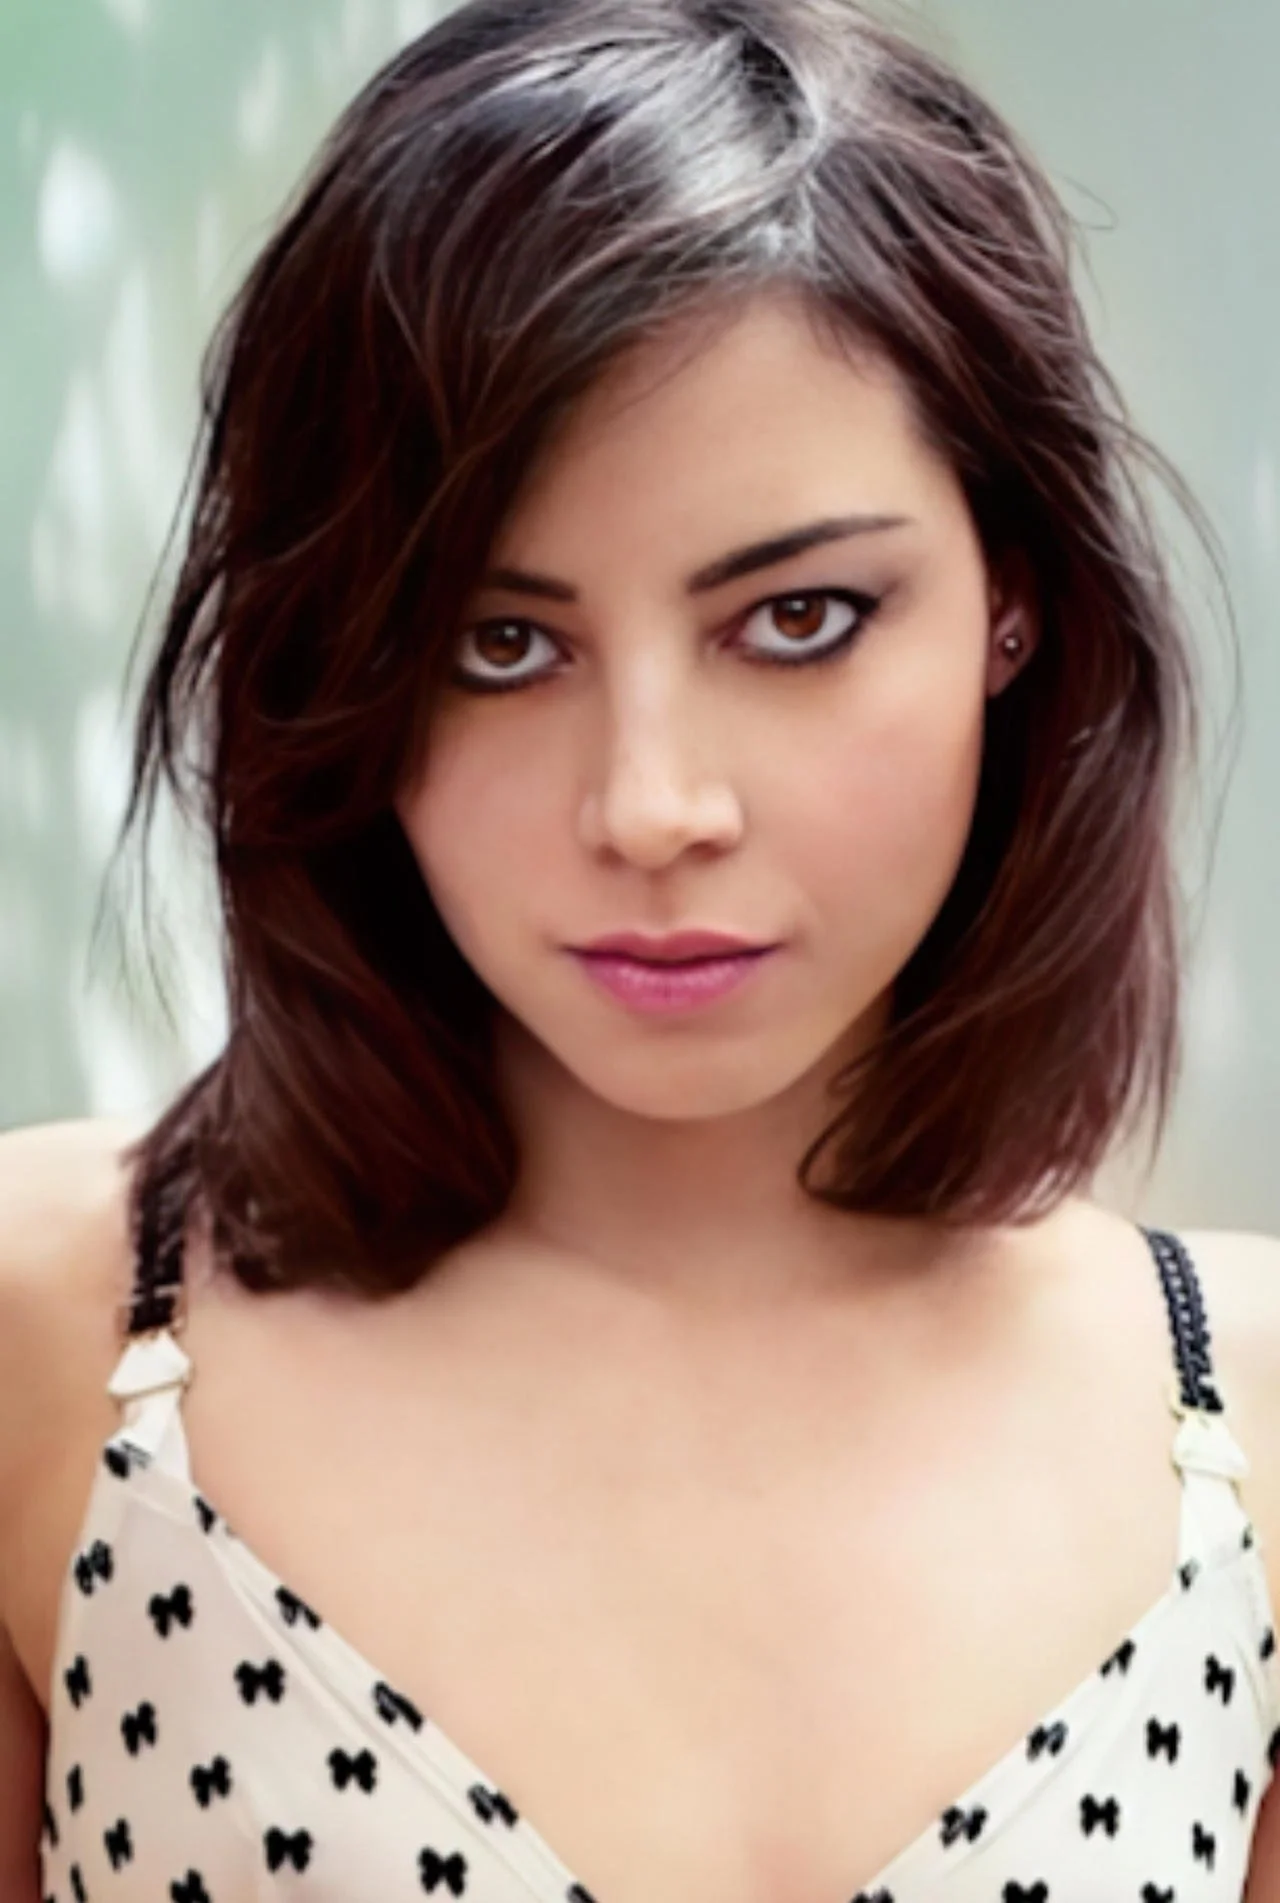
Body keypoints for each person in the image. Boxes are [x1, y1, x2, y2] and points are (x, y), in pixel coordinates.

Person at [2, 0, 1279, 1897]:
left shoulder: (1242, 1413)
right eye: (497, 644)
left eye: (799, 618)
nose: (651, 804)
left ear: (1014, 598)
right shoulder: (59, 1332)